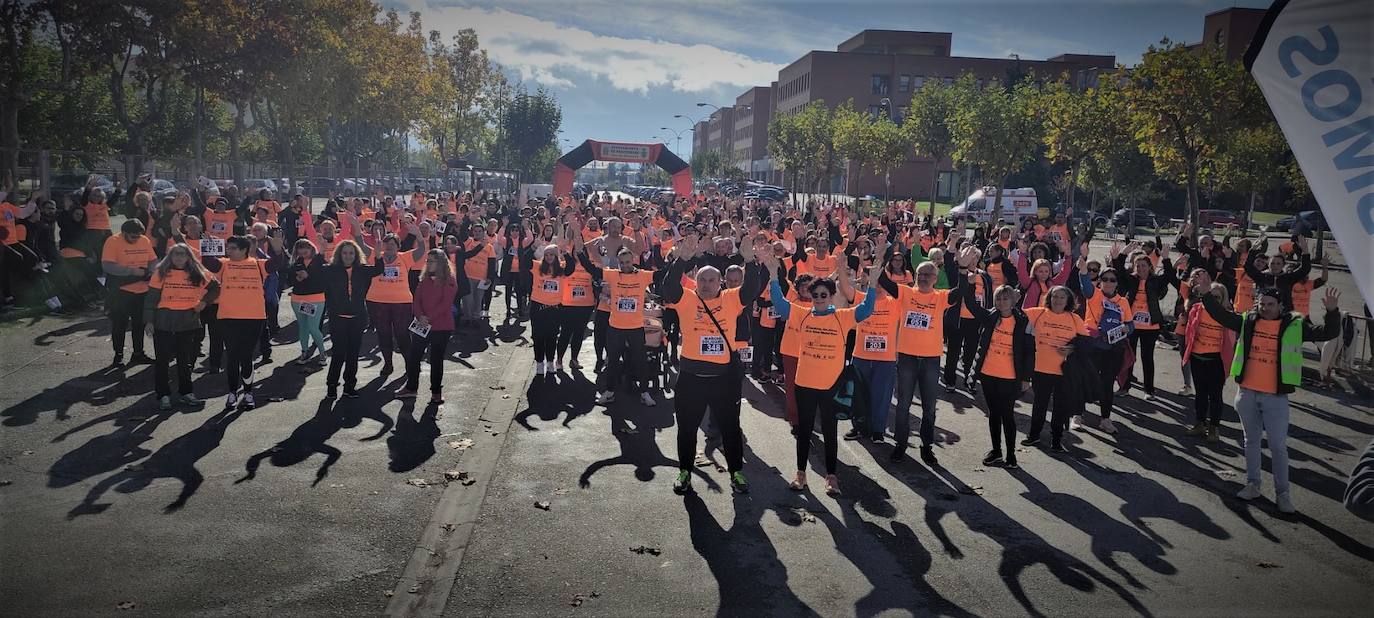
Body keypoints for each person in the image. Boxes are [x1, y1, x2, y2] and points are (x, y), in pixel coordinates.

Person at [1198, 285, 1341, 514]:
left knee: (1277, 446)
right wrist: (1205, 293)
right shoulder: (1248, 320)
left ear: (1280, 305)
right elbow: (1222, 316)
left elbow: (1326, 332)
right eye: (1261, 304)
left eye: (1270, 304)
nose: (1265, 308)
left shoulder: (1294, 324)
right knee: (1251, 442)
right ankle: (1253, 485)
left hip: (1275, 397)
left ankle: (1282, 494)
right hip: (1247, 393)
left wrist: (1332, 312)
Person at [659, 235, 762, 495]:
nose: (706, 284)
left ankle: (736, 471)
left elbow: (751, 289)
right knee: (687, 428)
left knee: (730, 427)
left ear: (721, 282)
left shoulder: (730, 299)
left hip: (723, 379)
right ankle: (684, 471)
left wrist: (750, 260)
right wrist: (681, 260)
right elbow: (669, 287)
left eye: (712, 280)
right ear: (696, 281)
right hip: (691, 377)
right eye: (702, 280)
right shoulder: (687, 299)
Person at [769, 259, 878, 496]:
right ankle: (800, 474)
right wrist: (772, 275)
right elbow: (778, 302)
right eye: (815, 295)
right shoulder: (801, 314)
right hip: (804, 384)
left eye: (823, 295)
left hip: (831, 386)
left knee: (830, 432)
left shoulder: (843, 316)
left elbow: (867, 309)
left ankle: (831, 477)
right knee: (804, 431)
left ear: (831, 296)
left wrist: (874, 284)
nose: (818, 299)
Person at [888, 236, 965, 465]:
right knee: (903, 405)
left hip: (931, 359)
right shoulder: (905, 293)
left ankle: (926, 445)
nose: (923, 278)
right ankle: (900, 444)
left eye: (928, 275)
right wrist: (884, 254)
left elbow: (960, 292)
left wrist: (961, 268)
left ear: (935, 278)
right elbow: (884, 281)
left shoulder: (940, 297)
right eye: (920, 274)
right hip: (907, 358)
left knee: (929, 408)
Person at [961, 284, 1035, 468]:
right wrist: (967, 278)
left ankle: (1011, 455)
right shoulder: (990, 317)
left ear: (1013, 300)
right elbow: (970, 304)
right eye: (999, 298)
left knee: (1007, 414)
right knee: (994, 414)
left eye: (1005, 298)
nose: (1002, 302)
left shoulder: (1023, 320)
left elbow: (1029, 351)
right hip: (988, 373)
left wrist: (1026, 378)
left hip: (1010, 376)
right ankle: (996, 451)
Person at [211, 231, 284, 408]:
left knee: (246, 357)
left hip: (254, 318)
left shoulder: (258, 264)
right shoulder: (223, 264)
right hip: (228, 317)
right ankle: (232, 393)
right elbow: (207, 262)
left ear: (245, 250)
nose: (229, 251)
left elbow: (277, 263)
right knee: (232, 357)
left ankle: (248, 393)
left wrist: (278, 250)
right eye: (228, 248)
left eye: (233, 248)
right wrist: (177, 234)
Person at [144, 243, 219, 410]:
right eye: (175, 254)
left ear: (188, 257)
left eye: (182, 254)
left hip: (187, 322)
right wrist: (149, 321)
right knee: (162, 361)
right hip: (163, 322)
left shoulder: (198, 273)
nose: (178, 257)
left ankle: (186, 393)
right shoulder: (160, 272)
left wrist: (204, 302)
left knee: (184, 361)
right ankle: (163, 395)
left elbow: (216, 288)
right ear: (170, 256)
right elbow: (151, 299)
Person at [1021, 286, 1090, 453]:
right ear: (1049, 298)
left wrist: (1072, 347)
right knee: (1040, 404)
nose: (1058, 300)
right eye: (1055, 296)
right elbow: (1015, 314)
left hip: (1064, 371)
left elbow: (1086, 343)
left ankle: (1057, 439)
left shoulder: (1074, 319)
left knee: (1061, 406)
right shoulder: (1038, 313)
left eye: (1062, 297)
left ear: (1068, 301)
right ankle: (1034, 435)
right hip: (1041, 368)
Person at [320, 215, 381, 399]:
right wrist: (320, 252)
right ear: (339, 254)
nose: (348, 256)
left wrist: (378, 255)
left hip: (357, 319)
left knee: (353, 355)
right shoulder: (330, 270)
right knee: (338, 354)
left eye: (351, 253)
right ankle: (332, 386)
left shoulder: (362, 270)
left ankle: (349, 386)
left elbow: (378, 269)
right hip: (338, 319)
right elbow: (315, 272)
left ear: (356, 255)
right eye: (345, 253)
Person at [1076, 260, 1133, 434]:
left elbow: (1130, 325)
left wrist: (1125, 329)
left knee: (1107, 384)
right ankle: (1077, 415)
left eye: (1112, 280)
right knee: (1085, 379)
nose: (1108, 282)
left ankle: (1105, 419)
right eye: (1105, 279)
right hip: (1092, 345)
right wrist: (1083, 267)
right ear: (1100, 281)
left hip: (1113, 349)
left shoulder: (1122, 301)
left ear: (1117, 283)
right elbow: (1085, 283)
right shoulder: (1094, 295)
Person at [399, 248, 460, 401]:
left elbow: (446, 304)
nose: (429, 263)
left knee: (436, 359)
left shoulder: (450, 279)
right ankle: (411, 387)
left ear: (441, 263)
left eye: (432, 261)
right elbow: (417, 299)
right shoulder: (424, 278)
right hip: (422, 324)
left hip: (441, 325)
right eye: (428, 260)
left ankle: (436, 392)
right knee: (414, 356)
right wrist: (420, 316)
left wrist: (428, 317)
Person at [365, 228, 427, 374]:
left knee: (402, 335)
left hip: (402, 303)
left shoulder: (405, 258)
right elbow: (360, 244)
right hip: (377, 302)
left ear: (398, 247)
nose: (389, 247)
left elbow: (421, 249)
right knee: (383, 334)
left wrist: (418, 234)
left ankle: (410, 365)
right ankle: (388, 364)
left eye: (393, 244)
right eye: (386, 244)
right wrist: (354, 225)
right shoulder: (375, 255)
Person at [1181, 276, 1235, 442]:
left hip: (1216, 361)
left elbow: (1231, 340)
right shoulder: (1197, 309)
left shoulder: (1227, 314)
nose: (1213, 299)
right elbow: (1190, 331)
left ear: (1223, 298)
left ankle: (1214, 428)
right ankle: (1199, 424)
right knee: (1201, 395)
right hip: (1198, 357)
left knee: (1215, 396)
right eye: (1210, 295)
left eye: (1217, 297)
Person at [101, 219, 158, 366]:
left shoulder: (144, 240)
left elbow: (153, 260)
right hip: (121, 291)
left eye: (138, 236)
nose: (137, 239)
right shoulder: (113, 241)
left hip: (142, 290)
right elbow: (107, 265)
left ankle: (138, 354)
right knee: (120, 324)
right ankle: (118, 355)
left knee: (139, 324)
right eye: (133, 236)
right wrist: (132, 271)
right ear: (124, 233)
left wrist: (150, 271)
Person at [284, 238, 328, 364]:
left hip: (316, 298)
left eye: (306, 249)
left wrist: (308, 275)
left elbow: (324, 278)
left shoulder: (319, 259)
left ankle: (322, 352)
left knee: (313, 327)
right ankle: (304, 352)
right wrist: (297, 279)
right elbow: (289, 280)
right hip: (298, 298)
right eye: (300, 250)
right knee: (303, 327)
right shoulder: (295, 262)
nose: (303, 252)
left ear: (311, 248)